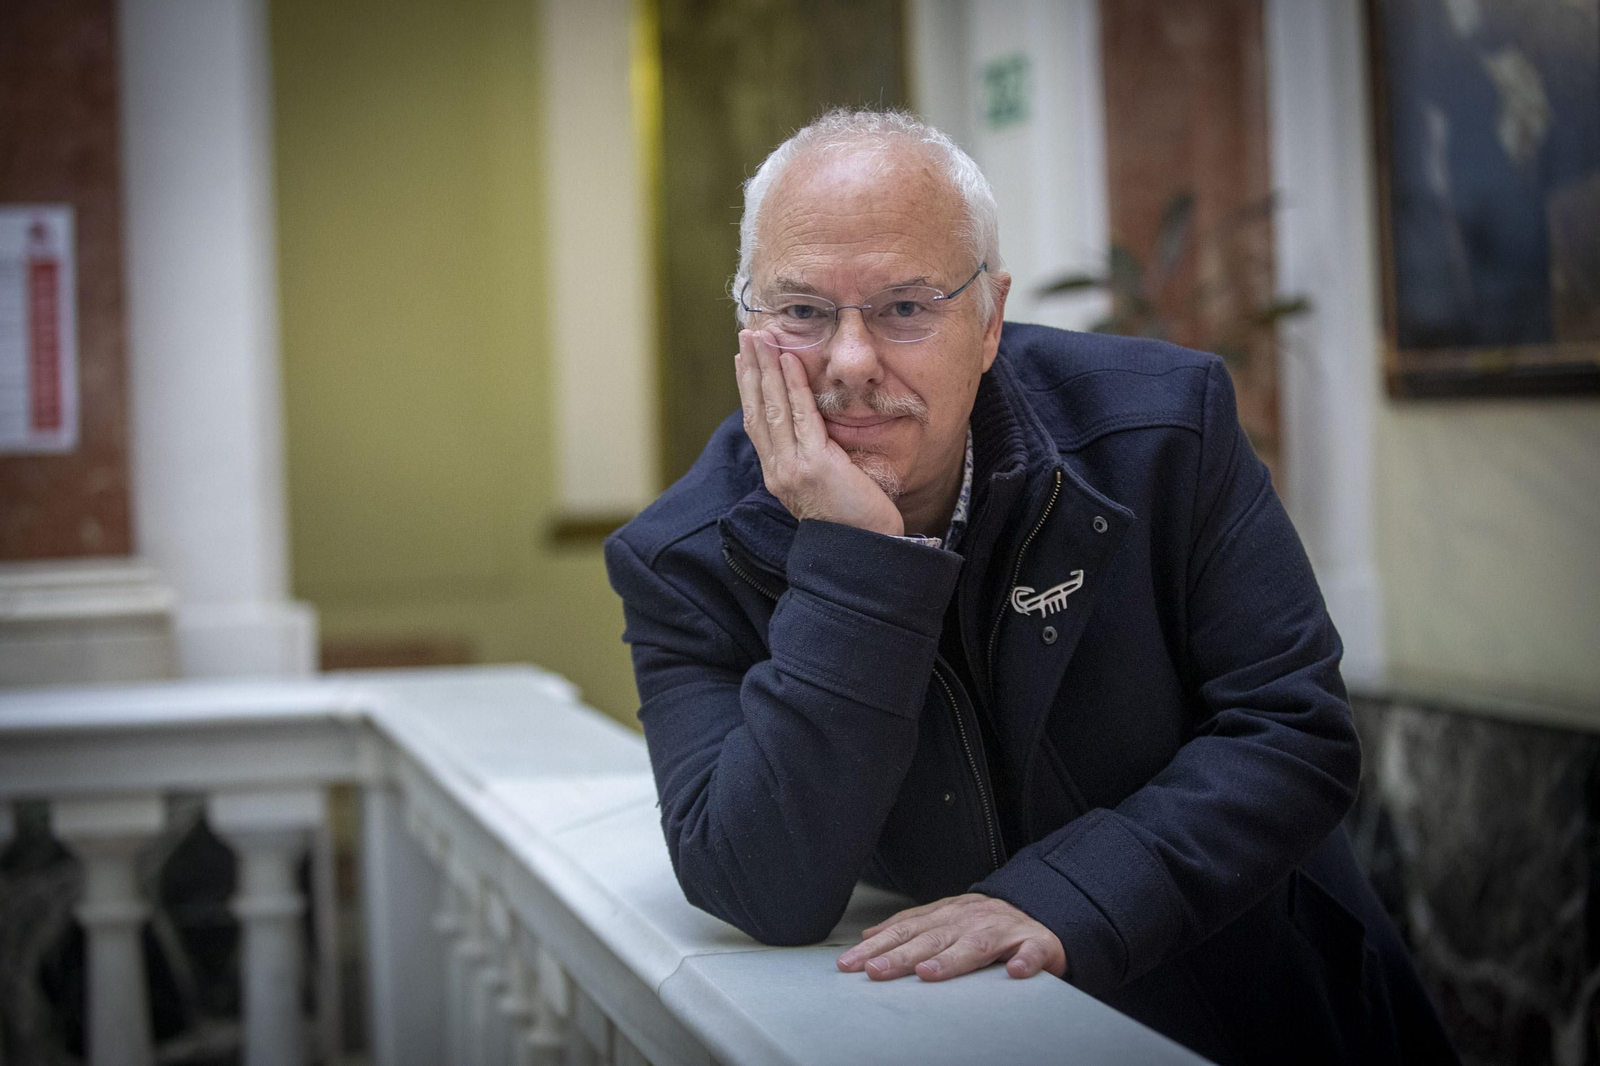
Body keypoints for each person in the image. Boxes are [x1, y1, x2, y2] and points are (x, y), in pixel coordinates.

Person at [604, 108, 1456, 1066]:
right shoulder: (680, 557)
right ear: (747, 322)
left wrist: (1061, 894)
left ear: (989, 319)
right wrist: (853, 557)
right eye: (801, 311)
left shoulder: (1165, 431)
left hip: (1266, 1004)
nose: (848, 363)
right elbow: (756, 882)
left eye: (905, 308)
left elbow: (1293, 730)